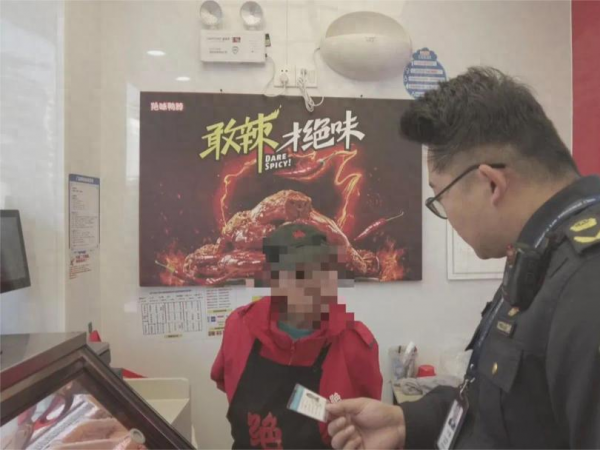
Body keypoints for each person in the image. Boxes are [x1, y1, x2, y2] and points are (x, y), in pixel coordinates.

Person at [326, 67, 600, 449]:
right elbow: (502, 408)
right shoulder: (540, 257)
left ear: (491, 183)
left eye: (440, 197)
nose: (447, 216)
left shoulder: (587, 281)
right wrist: (405, 422)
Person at [211, 223, 383, 449]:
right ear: (272, 277)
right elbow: (227, 382)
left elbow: (368, 427)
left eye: (322, 270)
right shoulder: (239, 327)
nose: (314, 283)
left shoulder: (355, 344)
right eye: (298, 272)